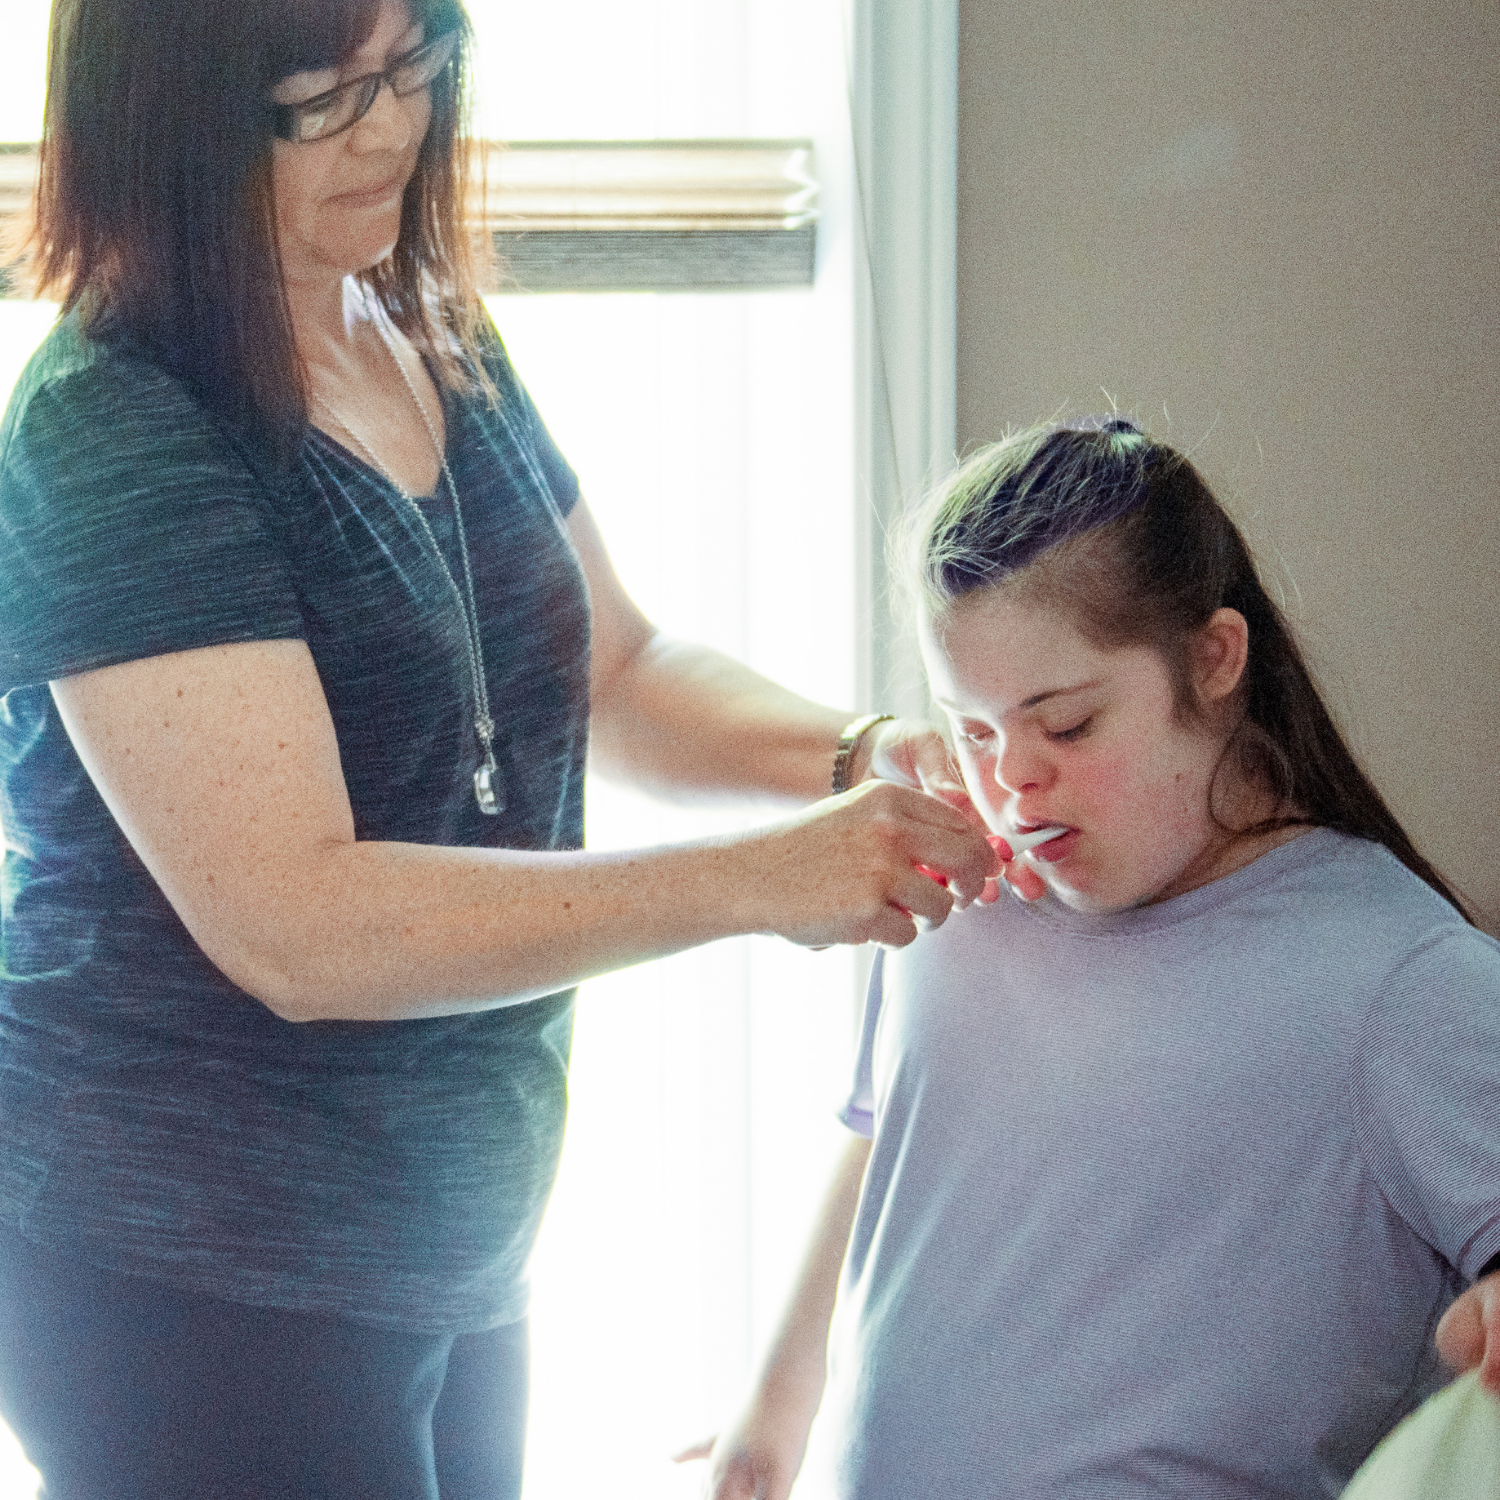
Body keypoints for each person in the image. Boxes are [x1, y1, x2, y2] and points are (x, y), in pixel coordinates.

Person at [0, 1, 999, 1496]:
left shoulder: (427, 333)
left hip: (451, 1234)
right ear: (174, 116)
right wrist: (760, 885)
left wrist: (855, 756)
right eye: (324, 98)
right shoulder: (112, 429)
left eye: (413, 69)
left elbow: (621, 664)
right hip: (192, 1269)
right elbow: (300, 929)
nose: (394, 129)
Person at [687, 419, 1500, 1499]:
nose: (1010, 780)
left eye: (1063, 726)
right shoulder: (953, 902)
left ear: (1214, 660)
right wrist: (768, 1425)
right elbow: (886, 1143)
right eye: (972, 732)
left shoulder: (1400, 981)